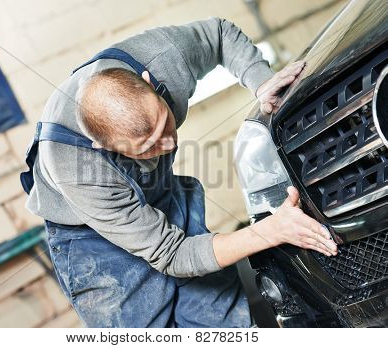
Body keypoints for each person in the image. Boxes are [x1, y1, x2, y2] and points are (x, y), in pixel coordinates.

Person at [21, 17, 338, 327]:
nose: (168, 143)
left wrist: (260, 80)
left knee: (217, 314)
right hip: (92, 239)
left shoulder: (163, 57)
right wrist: (269, 232)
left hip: (161, 194)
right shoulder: (78, 169)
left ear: (149, 82)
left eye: (164, 124)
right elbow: (171, 254)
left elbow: (218, 34)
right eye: (146, 148)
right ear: (103, 146)